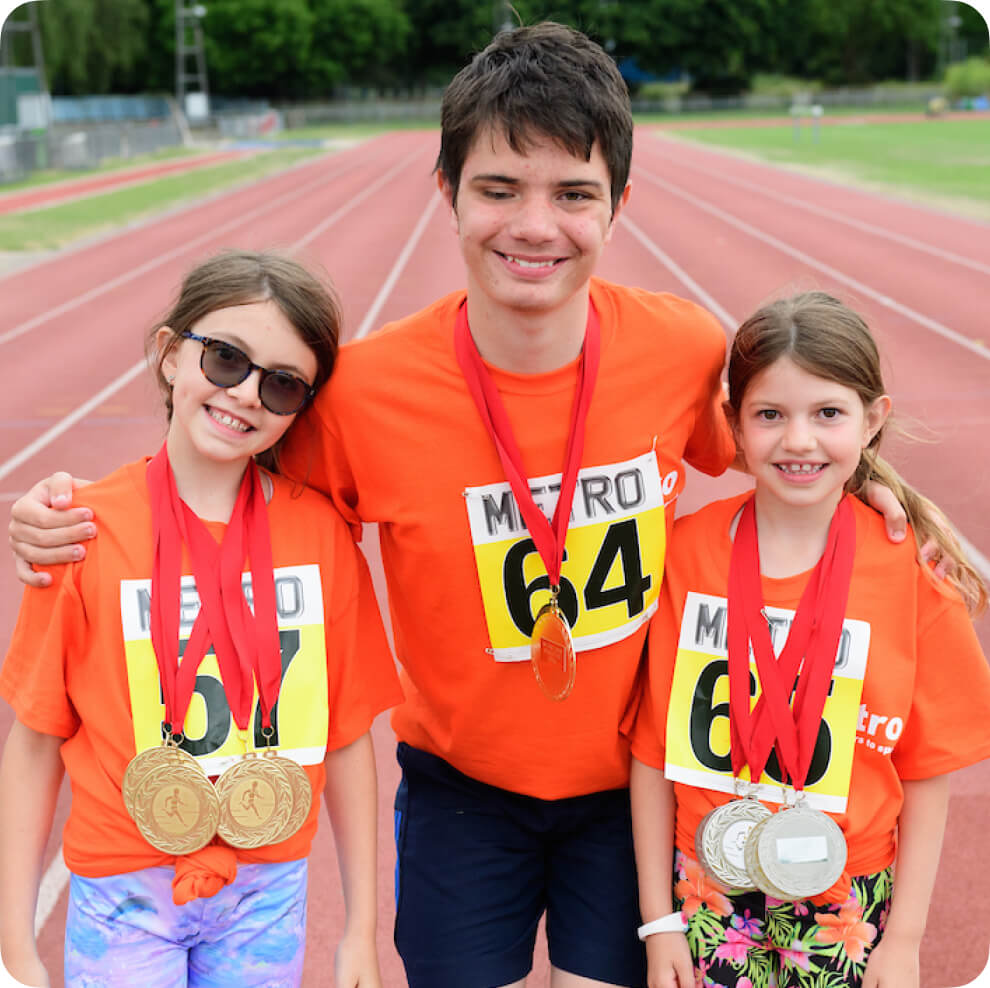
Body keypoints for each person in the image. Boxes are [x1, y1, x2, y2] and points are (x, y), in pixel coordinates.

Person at [7, 24, 916, 988]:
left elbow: (791, 452)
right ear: (446, 190)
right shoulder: (362, 395)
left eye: (573, 193)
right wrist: (65, 510)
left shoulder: (685, 350)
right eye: (498, 189)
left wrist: (888, 493)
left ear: (619, 204)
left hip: (630, 791)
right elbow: (227, 481)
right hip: (461, 795)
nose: (535, 226)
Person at [0, 250, 402, 988]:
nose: (246, 394)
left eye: (282, 384)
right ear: (167, 355)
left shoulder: (321, 540)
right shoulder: (82, 532)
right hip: (124, 891)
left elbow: (345, 740)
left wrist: (359, 933)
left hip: (267, 889)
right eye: (224, 359)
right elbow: (34, 742)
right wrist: (12, 944)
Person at [628, 292, 990, 988]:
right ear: (733, 423)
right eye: (770, 415)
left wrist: (905, 940)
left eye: (828, 413)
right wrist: (657, 921)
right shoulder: (687, 553)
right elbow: (652, 751)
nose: (798, 440)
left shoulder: (911, 570)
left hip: (847, 898)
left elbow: (927, 770)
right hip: (704, 888)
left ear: (873, 419)